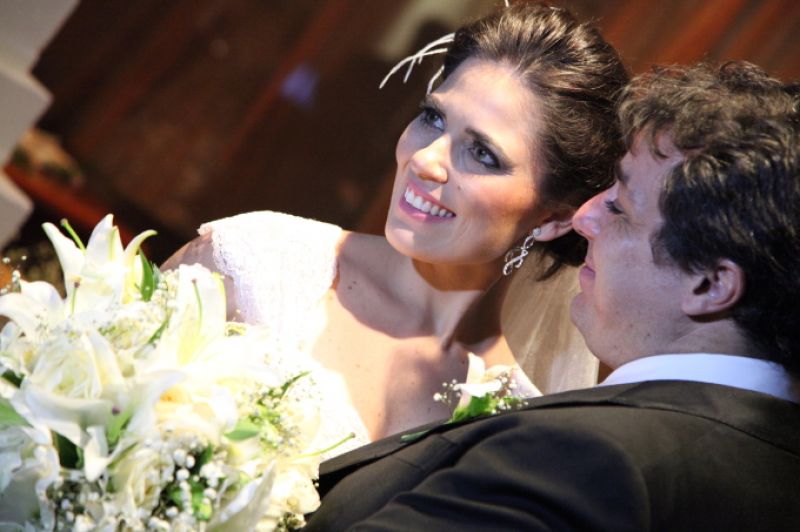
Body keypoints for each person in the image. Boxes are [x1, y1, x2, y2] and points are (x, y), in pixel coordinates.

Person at [303, 61, 800, 530]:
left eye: (621, 207)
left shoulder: (588, 455)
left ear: (711, 285)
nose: (585, 217)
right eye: (433, 117)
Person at [163, 2, 628, 450]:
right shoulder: (253, 267)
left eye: (482, 153)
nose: (425, 160)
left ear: (554, 218)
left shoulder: (511, 424)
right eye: (433, 118)